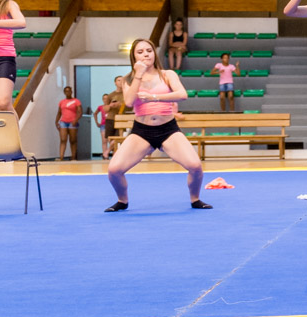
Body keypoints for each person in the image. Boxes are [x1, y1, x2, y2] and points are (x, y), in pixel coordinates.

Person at [105, 38, 209, 212]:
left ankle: (195, 199)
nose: (146, 54)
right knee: (114, 170)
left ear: (154, 53)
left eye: (149, 50)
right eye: (140, 52)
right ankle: (122, 201)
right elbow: (129, 102)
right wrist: (138, 74)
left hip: (168, 129)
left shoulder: (167, 74)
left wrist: (154, 97)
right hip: (141, 131)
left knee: (195, 166)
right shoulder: (128, 79)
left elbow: (182, 94)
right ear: (134, 57)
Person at [56, 86, 81, 160]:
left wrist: (76, 120)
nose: (68, 92)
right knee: (63, 139)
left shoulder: (76, 101)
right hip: (63, 122)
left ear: (71, 92)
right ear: (64, 92)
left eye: (69, 91)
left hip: (72, 122)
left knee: (73, 140)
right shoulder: (62, 102)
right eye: (66, 91)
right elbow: (59, 112)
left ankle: (73, 157)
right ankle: (61, 157)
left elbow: (80, 112)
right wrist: (56, 121)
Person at [94, 93, 111, 161]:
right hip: (103, 125)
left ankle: (109, 153)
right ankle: (105, 155)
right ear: (102, 99)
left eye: (107, 98)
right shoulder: (100, 107)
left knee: (110, 141)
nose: (105, 100)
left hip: (110, 125)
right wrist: (97, 122)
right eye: (104, 98)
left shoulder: (111, 106)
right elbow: (95, 113)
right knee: (104, 141)